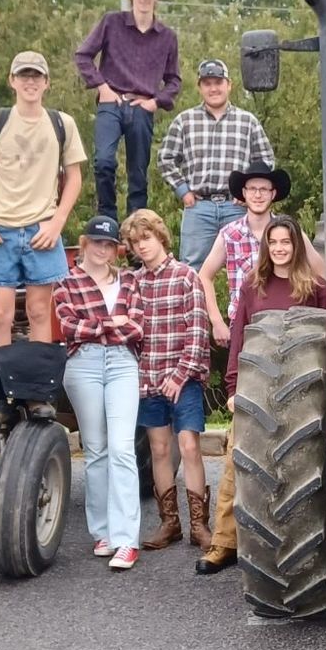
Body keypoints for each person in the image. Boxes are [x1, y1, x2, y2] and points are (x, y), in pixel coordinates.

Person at [198, 214, 326, 574]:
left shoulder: (315, 288)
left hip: (305, 402)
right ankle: (224, 544)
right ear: (266, 248)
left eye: (286, 243)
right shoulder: (252, 287)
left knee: (321, 470)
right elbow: (238, 341)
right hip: (257, 393)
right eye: (273, 243)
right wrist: (233, 389)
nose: (279, 249)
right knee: (237, 465)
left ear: (296, 247)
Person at [0, 50, 87, 422]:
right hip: (1, 229)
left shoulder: (61, 122)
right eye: (24, 76)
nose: (30, 82)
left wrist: (57, 223)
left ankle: (34, 394)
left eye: (37, 76)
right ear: (12, 81)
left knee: (38, 311)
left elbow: (75, 176)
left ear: (47, 82)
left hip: (41, 229)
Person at [53, 215, 145, 570]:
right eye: (97, 243)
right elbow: (68, 327)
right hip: (83, 366)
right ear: (84, 243)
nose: (103, 250)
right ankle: (102, 532)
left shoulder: (129, 281)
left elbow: (136, 328)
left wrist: (98, 328)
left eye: (109, 244)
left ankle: (127, 540)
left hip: (123, 363)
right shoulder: (66, 282)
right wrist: (111, 324)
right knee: (95, 450)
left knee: (122, 448)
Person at [124, 209, 212, 552]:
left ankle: (199, 525)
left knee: (189, 446)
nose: (141, 247)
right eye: (135, 242)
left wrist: (179, 375)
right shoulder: (133, 283)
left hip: (183, 378)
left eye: (146, 239)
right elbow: (130, 335)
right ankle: (169, 522)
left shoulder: (185, 277)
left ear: (160, 237)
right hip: (148, 379)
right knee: (159, 450)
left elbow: (197, 331)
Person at [75, 0, 181, 220]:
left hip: (141, 107)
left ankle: (137, 234)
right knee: (103, 162)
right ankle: (107, 222)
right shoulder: (111, 22)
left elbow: (174, 80)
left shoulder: (167, 36)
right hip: (111, 102)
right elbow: (83, 56)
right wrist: (102, 87)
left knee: (138, 175)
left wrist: (156, 102)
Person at [158, 58, 275, 266]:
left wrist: (245, 191)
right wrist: (183, 191)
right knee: (192, 266)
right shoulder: (184, 121)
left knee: (250, 263)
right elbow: (165, 159)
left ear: (229, 85)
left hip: (236, 206)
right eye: (207, 83)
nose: (213, 88)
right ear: (200, 87)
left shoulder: (247, 121)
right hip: (198, 207)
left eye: (218, 82)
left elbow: (266, 160)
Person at [197, 165, 326, 344]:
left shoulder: (289, 231)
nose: (258, 195)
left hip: (288, 325)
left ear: (273, 194)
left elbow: (320, 273)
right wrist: (217, 321)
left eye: (264, 189)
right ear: (244, 193)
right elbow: (204, 276)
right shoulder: (229, 234)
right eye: (252, 189)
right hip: (245, 326)